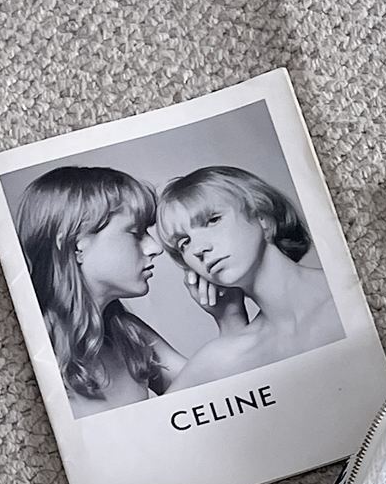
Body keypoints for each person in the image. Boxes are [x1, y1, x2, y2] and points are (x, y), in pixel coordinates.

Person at [14, 164, 248, 415]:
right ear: (76, 245)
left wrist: (230, 317)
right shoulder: (26, 349)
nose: (155, 248)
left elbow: (222, 397)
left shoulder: (129, 335)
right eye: (135, 233)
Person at [155, 164, 343, 389]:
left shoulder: (353, 292)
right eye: (184, 243)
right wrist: (230, 320)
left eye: (212, 220)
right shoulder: (219, 357)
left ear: (262, 217)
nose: (198, 249)